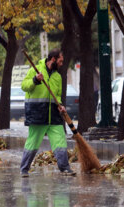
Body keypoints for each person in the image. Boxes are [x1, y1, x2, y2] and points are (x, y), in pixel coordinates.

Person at [20, 49, 76, 177]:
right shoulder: (36, 70)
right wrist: (35, 79)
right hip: (37, 113)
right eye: (60, 61)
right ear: (53, 59)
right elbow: (24, 86)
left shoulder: (57, 76)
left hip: (54, 115)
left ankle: (65, 168)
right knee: (33, 142)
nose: (62, 64)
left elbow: (57, 95)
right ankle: (24, 169)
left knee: (60, 141)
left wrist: (60, 105)